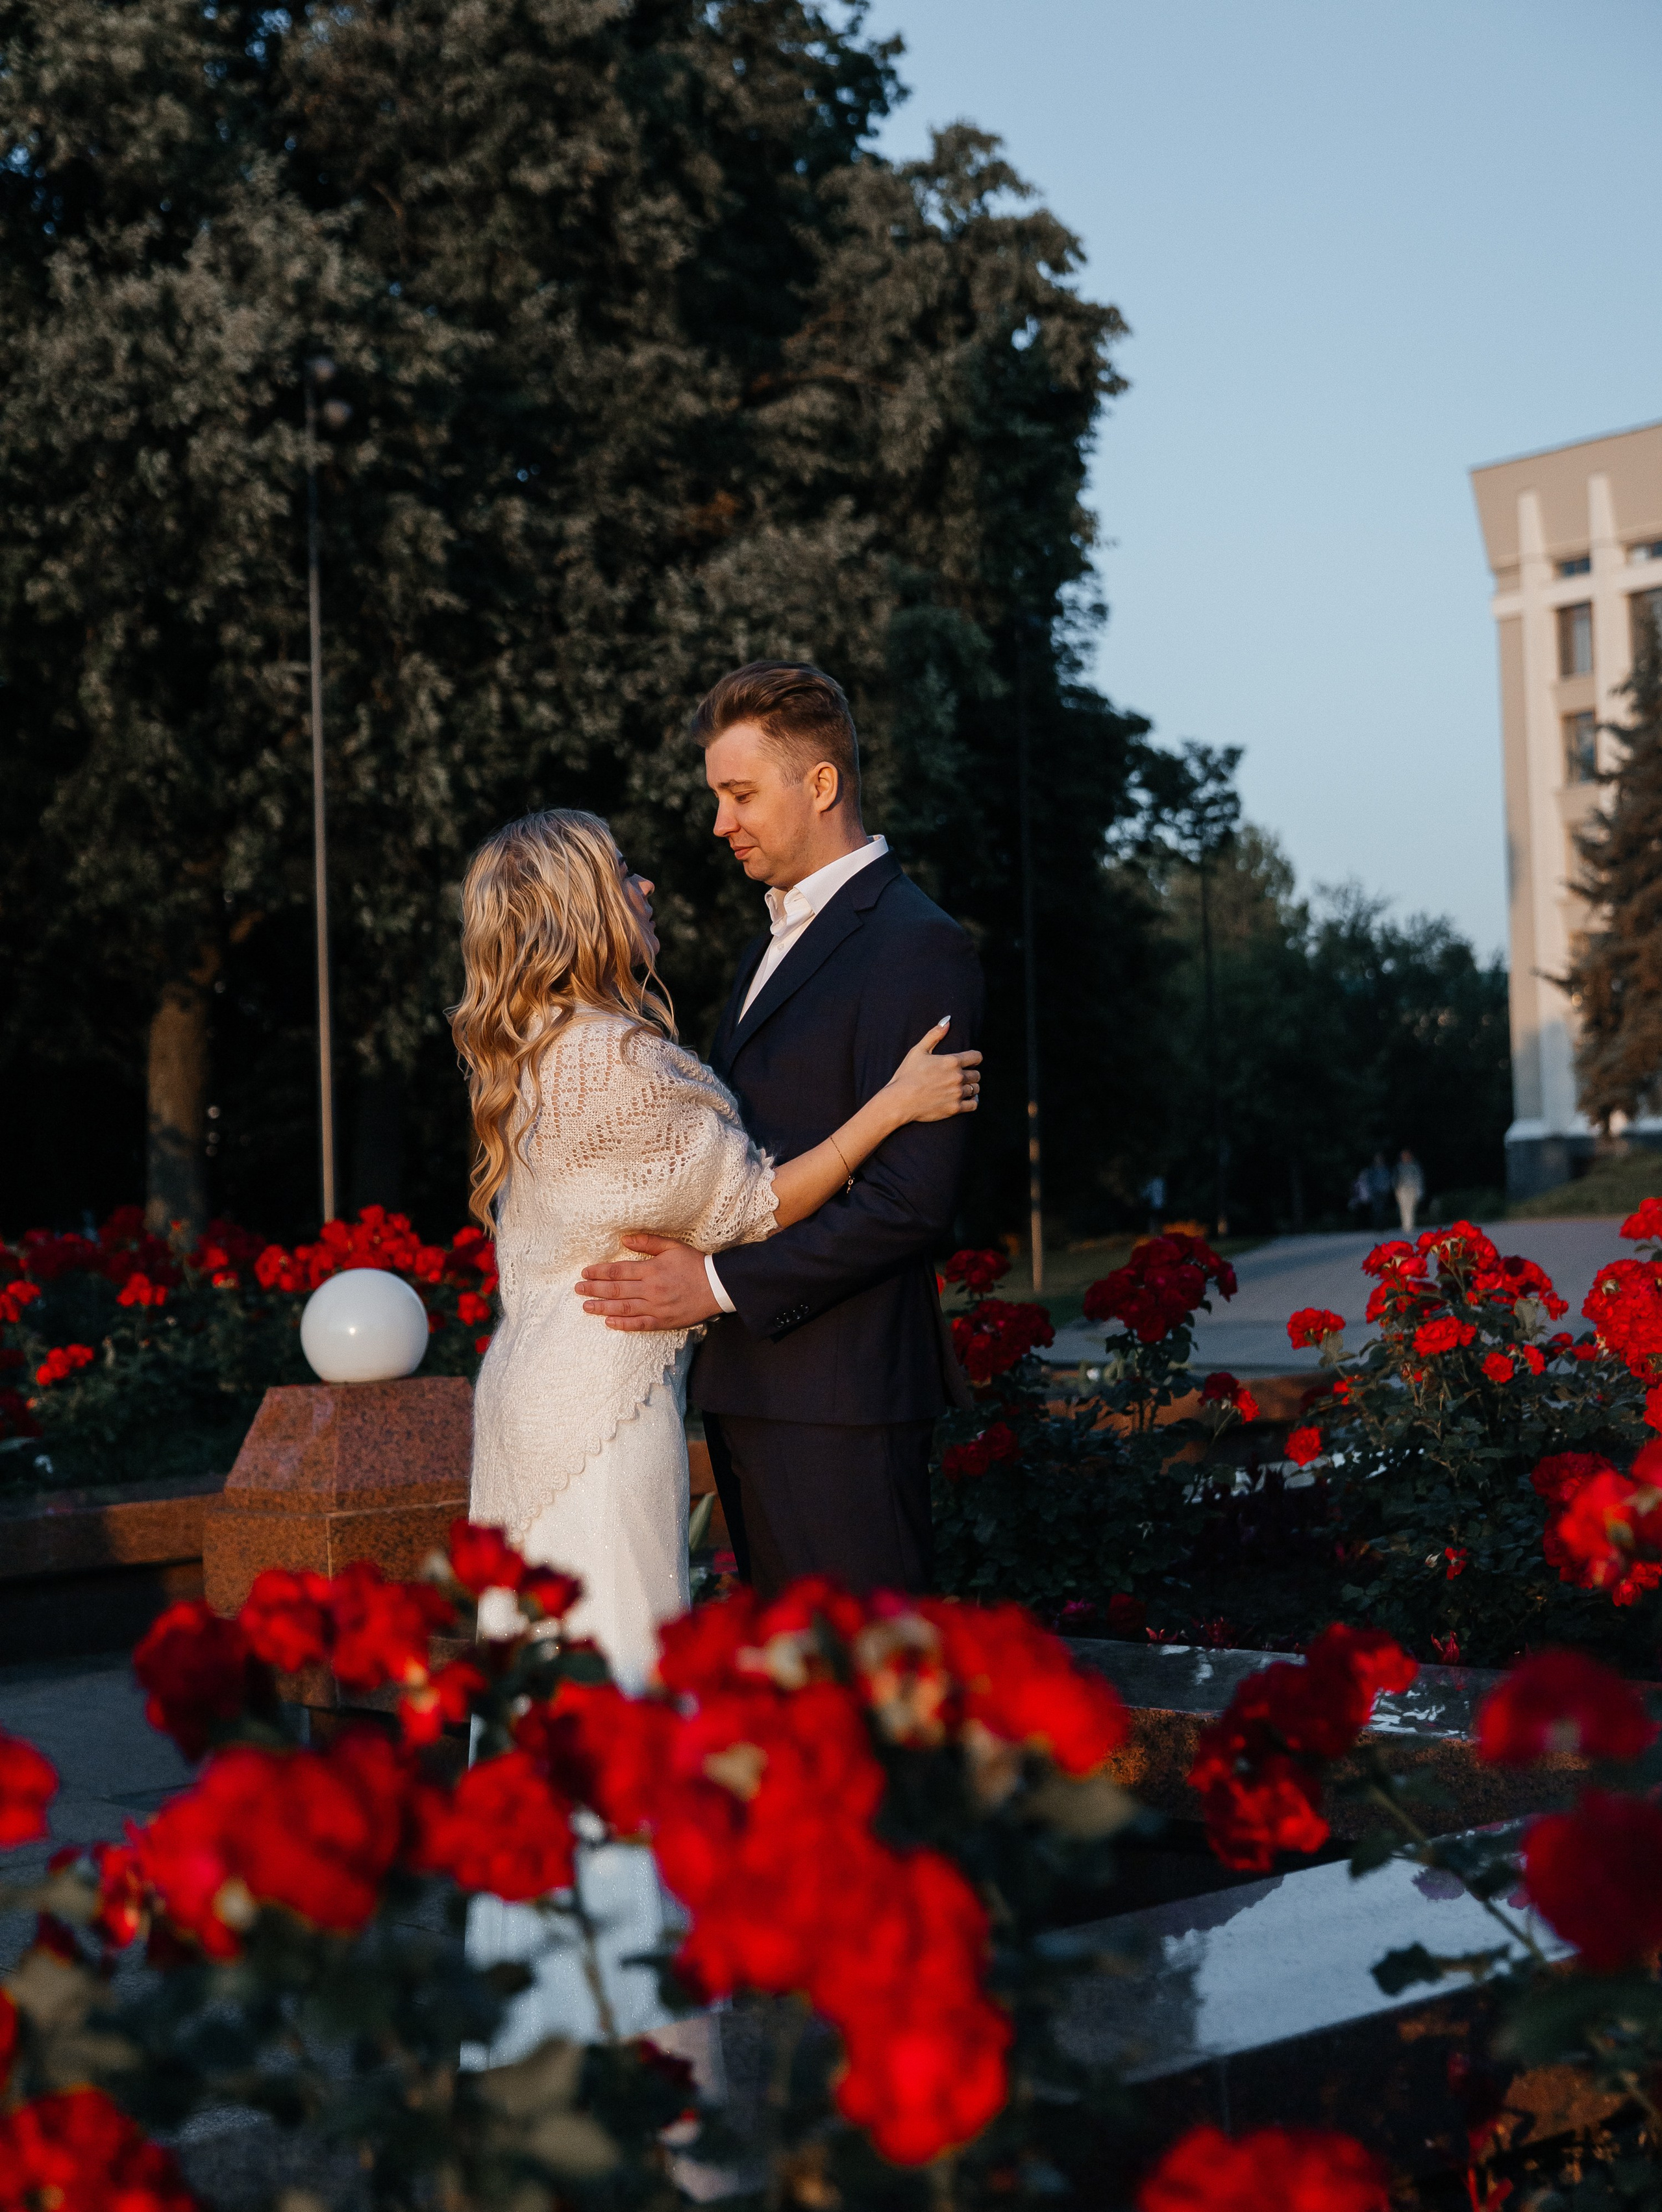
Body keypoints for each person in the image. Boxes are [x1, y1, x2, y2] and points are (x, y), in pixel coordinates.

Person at [453, 804, 978, 2058]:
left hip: (531, 1405)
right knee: (621, 1672)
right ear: (585, 910)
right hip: (601, 1410)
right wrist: (893, 1105)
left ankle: (547, 2000)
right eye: (623, 873)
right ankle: (628, 2007)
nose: (648, 884)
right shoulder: (615, 1061)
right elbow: (752, 1206)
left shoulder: (543, 1044)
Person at [578, 660, 986, 1602]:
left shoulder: (917, 944)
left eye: (741, 793)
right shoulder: (766, 941)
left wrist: (716, 1283)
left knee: (861, 1677)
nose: (720, 821)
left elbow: (909, 1201)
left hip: (841, 1397)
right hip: (751, 1386)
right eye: (717, 796)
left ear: (822, 783)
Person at [1394, 1148, 1425, 1233]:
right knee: (1403, 1208)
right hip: (1402, 1189)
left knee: (1411, 1207)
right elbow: (1395, 1179)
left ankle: (1410, 1225)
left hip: (1412, 1189)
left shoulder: (1415, 1166)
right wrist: (1397, 1190)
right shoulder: (1399, 1167)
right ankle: (1405, 1226)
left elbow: (1419, 1178)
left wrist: (1419, 1190)